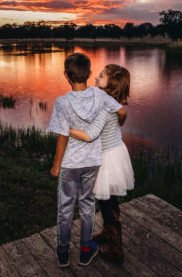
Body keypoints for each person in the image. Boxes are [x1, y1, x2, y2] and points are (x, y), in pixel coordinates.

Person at [48, 53, 127, 268]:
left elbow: (62, 137)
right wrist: (119, 124)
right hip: (92, 163)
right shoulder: (99, 96)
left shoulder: (62, 102)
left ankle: (63, 253)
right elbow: (121, 110)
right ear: (90, 73)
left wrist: (56, 165)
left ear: (66, 75)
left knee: (65, 209)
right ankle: (85, 250)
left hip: (70, 164)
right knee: (87, 207)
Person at [68, 64, 134, 263]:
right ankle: (108, 231)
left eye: (101, 76)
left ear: (110, 86)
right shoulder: (111, 103)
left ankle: (116, 248)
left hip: (106, 158)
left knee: (105, 201)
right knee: (110, 199)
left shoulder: (104, 107)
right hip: (114, 154)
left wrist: (66, 129)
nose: (96, 78)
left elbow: (89, 135)